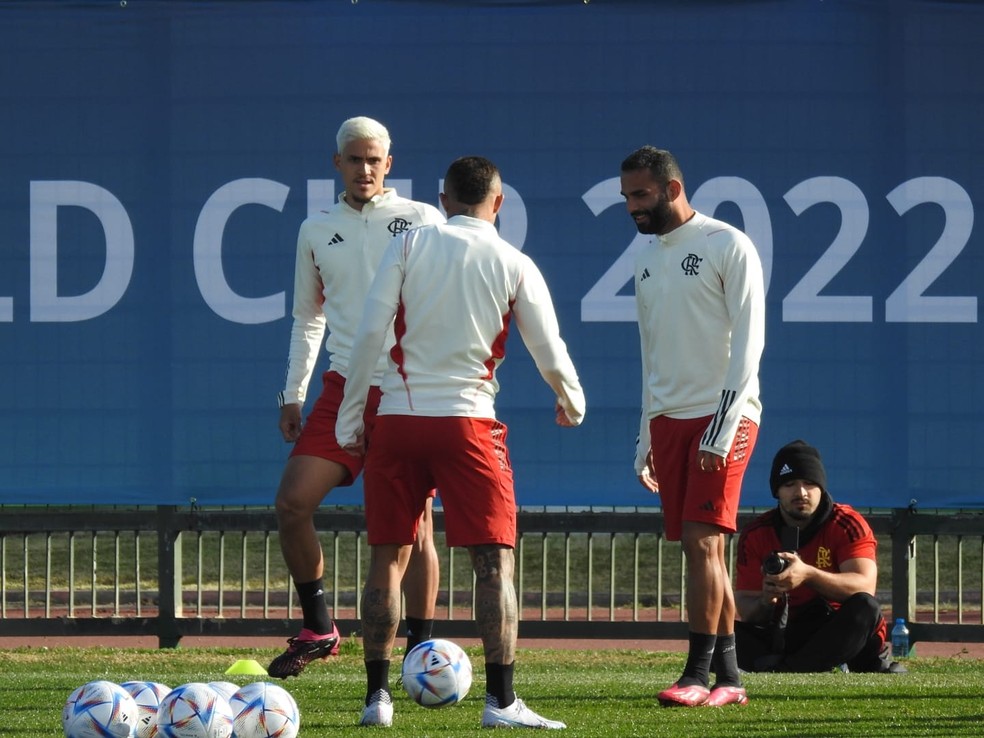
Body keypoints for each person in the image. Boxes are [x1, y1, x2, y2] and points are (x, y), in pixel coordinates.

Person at [336, 155, 584, 729]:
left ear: (444, 200)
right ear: (497, 203)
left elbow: (370, 332)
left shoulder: (408, 245)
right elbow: (548, 348)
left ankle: (376, 699)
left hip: (398, 420)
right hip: (468, 424)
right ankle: (500, 702)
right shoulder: (513, 260)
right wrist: (571, 398)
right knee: (493, 564)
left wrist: (353, 416)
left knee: (387, 560)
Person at [269, 116, 445, 679]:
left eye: (374, 159)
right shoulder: (315, 229)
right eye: (353, 158)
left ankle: (421, 648)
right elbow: (307, 316)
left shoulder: (423, 220)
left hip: (406, 388)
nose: (364, 168)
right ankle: (320, 627)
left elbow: (446, 303)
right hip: (342, 386)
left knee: (415, 526)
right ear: (336, 164)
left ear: (389, 164)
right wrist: (293, 392)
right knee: (292, 503)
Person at [620, 146, 766, 708]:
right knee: (701, 552)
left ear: (673, 188)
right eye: (627, 197)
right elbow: (649, 350)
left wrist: (723, 426)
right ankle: (730, 680)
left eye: (641, 195)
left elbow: (750, 343)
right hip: (668, 420)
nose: (632, 206)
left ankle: (696, 674)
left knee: (705, 544)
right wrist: (645, 433)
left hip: (723, 416)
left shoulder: (727, 244)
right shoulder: (645, 256)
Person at [734, 439, 907, 674]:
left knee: (865, 607)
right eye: (790, 484)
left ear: (821, 488)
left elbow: (864, 586)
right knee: (715, 631)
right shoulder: (756, 533)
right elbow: (746, 608)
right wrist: (766, 599)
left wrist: (807, 574)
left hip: (834, 628)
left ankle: (788, 668)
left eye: (809, 483)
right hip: (783, 631)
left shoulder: (846, 523)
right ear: (777, 491)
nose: (801, 492)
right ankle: (798, 665)